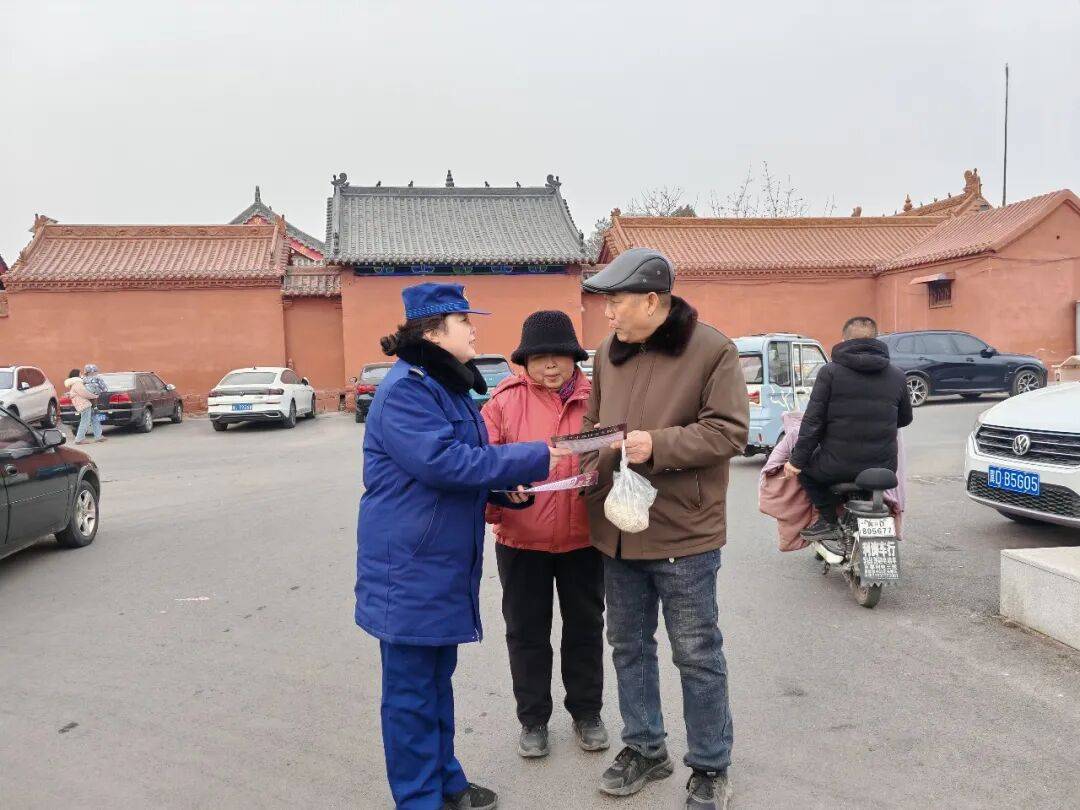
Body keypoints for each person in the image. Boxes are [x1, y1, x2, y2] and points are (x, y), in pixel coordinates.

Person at [355, 282, 571, 810]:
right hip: (409, 565)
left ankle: (445, 781)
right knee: (410, 694)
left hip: (440, 561)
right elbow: (442, 463)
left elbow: (460, 468)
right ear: (433, 332)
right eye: (464, 322)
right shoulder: (407, 390)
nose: (474, 330)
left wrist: (502, 490)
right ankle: (419, 799)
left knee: (436, 681)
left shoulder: (444, 385)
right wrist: (537, 455)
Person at [580, 248, 749, 810]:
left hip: (683, 530)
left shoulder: (713, 350)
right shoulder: (608, 353)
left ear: (652, 301)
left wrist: (658, 444)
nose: (607, 313)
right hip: (618, 529)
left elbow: (728, 432)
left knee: (696, 653)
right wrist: (584, 455)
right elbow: (594, 422)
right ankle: (646, 747)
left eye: (615, 301)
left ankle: (711, 764)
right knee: (628, 647)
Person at [481, 310, 608, 760]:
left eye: (559, 356)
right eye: (539, 357)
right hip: (522, 541)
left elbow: (614, 454)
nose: (550, 365)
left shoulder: (598, 399)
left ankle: (587, 713)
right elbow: (483, 463)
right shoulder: (502, 402)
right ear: (525, 362)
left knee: (585, 629)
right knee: (526, 633)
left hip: (584, 540)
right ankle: (533, 720)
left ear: (574, 358)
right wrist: (500, 496)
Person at [783, 316, 913, 556]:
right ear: (876, 340)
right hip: (883, 467)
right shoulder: (897, 375)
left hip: (836, 466)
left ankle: (828, 520)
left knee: (806, 471)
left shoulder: (829, 372)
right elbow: (904, 419)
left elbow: (813, 422)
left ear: (844, 340)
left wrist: (796, 462)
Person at [65, 365, 105, 444]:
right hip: (84, 404)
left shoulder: (75, 383)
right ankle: (79, 439)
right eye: (80, 373)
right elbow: (85, 393)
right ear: (77, 374)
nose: (82, 374)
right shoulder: (77, 383)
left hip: (84, 404)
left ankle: (98, 436)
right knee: (85, 422)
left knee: (94, 418)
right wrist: (95, 396)